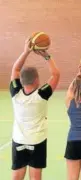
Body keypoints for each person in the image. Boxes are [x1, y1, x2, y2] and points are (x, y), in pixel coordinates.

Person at [10, 38, 60, 180]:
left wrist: (25, 52)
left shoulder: (15, 94)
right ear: (37, 80)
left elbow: (16, 69)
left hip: (19, 140)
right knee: (36, 177)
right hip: (37, 141)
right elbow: (56, 74)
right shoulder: (41, 95)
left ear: (22, 80)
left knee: (16, 176)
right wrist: (47, 56)